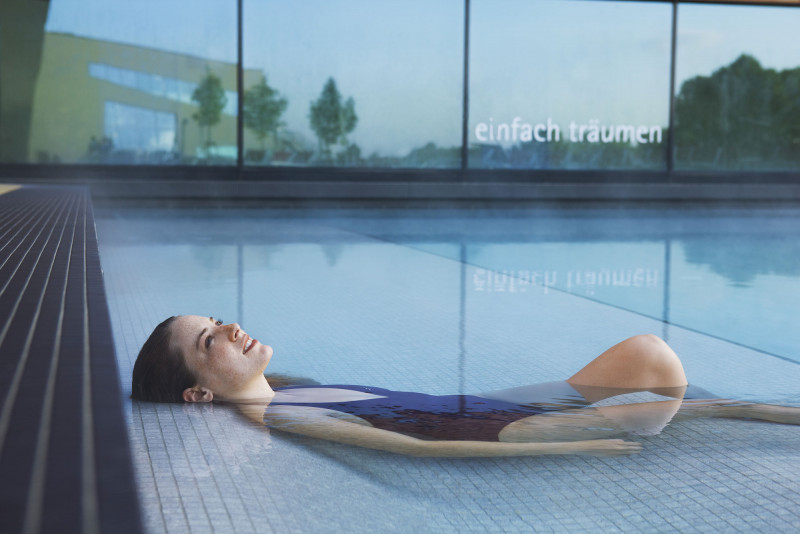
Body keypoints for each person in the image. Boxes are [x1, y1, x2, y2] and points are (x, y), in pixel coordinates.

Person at [131, 315, 800, 458]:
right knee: (667, 386)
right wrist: (578, 448)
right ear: (199, 392)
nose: (231, 327)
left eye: (218, 318)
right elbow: (422, 451)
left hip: (489, 403)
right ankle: (760, 413)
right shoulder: (282, 420)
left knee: (650, 359)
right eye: (210, 339)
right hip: (499, 427)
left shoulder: (289, 388)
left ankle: (768, 412)